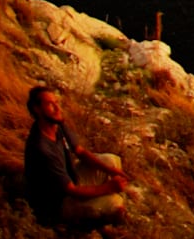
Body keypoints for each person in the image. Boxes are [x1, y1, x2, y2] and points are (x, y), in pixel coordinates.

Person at [24, 85, 129, 226]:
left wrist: (110, 170)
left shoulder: (56, 125)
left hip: (71, 180)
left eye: (57, 102)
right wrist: (109, 188)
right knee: (115, 204)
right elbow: (71, 190)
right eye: (50, 104)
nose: (57, 108)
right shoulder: (42, 148)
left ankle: (103, 197)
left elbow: (80, 152)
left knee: (111, 160)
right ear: (37, 109)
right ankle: (94, 221)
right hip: (59, 203)